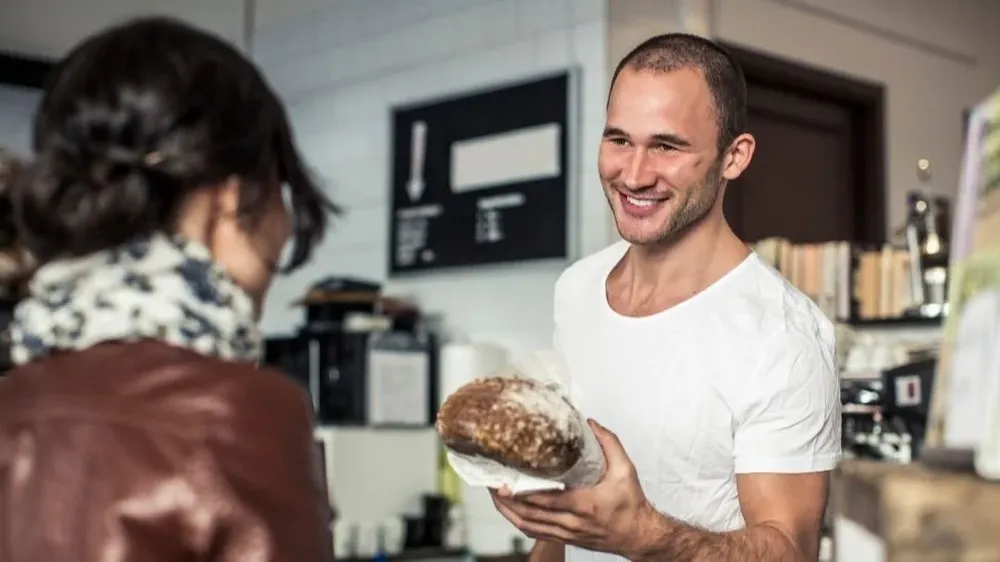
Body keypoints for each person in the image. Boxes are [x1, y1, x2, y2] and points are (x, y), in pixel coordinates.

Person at [490, 33, 840, 562]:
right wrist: (545, 514)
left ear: (734, 157)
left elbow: (791, 549)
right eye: (619, 140)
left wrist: (644, 536)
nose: (633, 174)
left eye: (666, 146)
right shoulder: (577, 289)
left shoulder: (783, 333)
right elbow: (568, 518)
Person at [0, 17, 338, 562]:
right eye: (281, 193)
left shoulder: (14, 395)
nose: (285, 228)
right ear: (231, 196)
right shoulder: (240, 412)